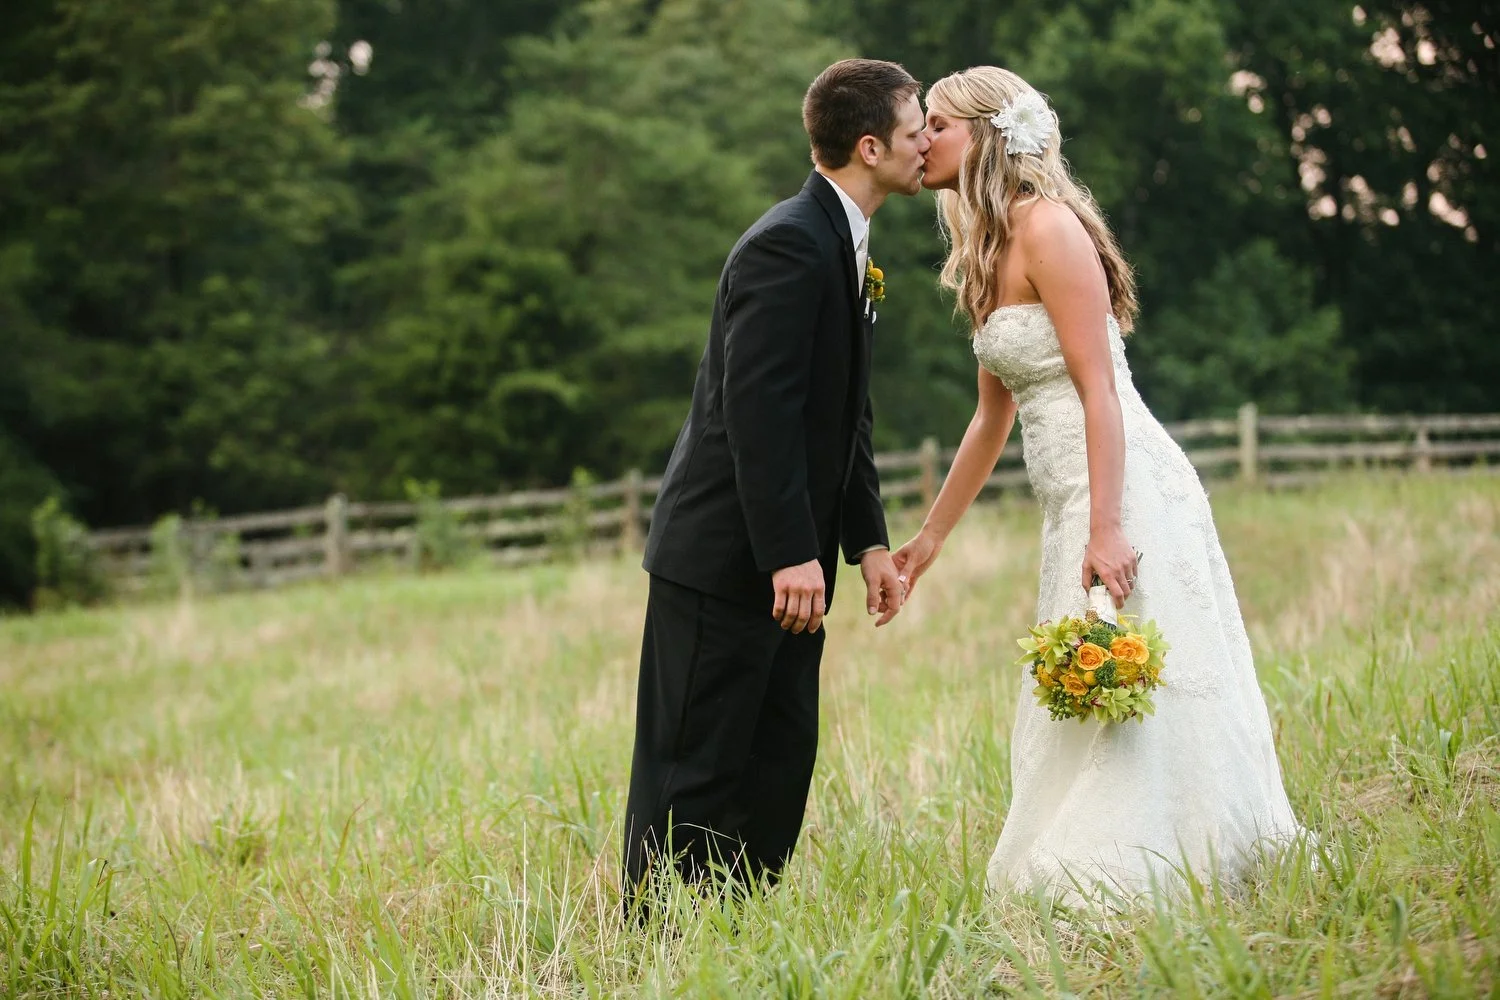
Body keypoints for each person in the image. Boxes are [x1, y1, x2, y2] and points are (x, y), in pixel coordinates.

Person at [894, 66, 1302, 904]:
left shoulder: (1047, 228)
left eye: (935, 122)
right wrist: (928, 541)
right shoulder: (984, 247)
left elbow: (1099, 389)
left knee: (1151, 673)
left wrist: (1108, 525)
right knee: (1090, 676)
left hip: (1123, 491)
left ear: (984, 135)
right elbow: (989, 421)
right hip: (1066, 505)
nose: (920, 137)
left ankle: (1164, 863)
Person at [621, 58, 930, 911]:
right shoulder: (789, 243)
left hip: (792, 565)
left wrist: (865, 543)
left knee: (777, 758)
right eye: (916, 130)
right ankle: (659, 950)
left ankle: (736, 936)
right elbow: (755, 415)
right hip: (727, 558)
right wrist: (793, 553)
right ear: (869, 147)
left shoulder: (849, 248)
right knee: (695, 766)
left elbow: (843, 419)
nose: (928, 143)